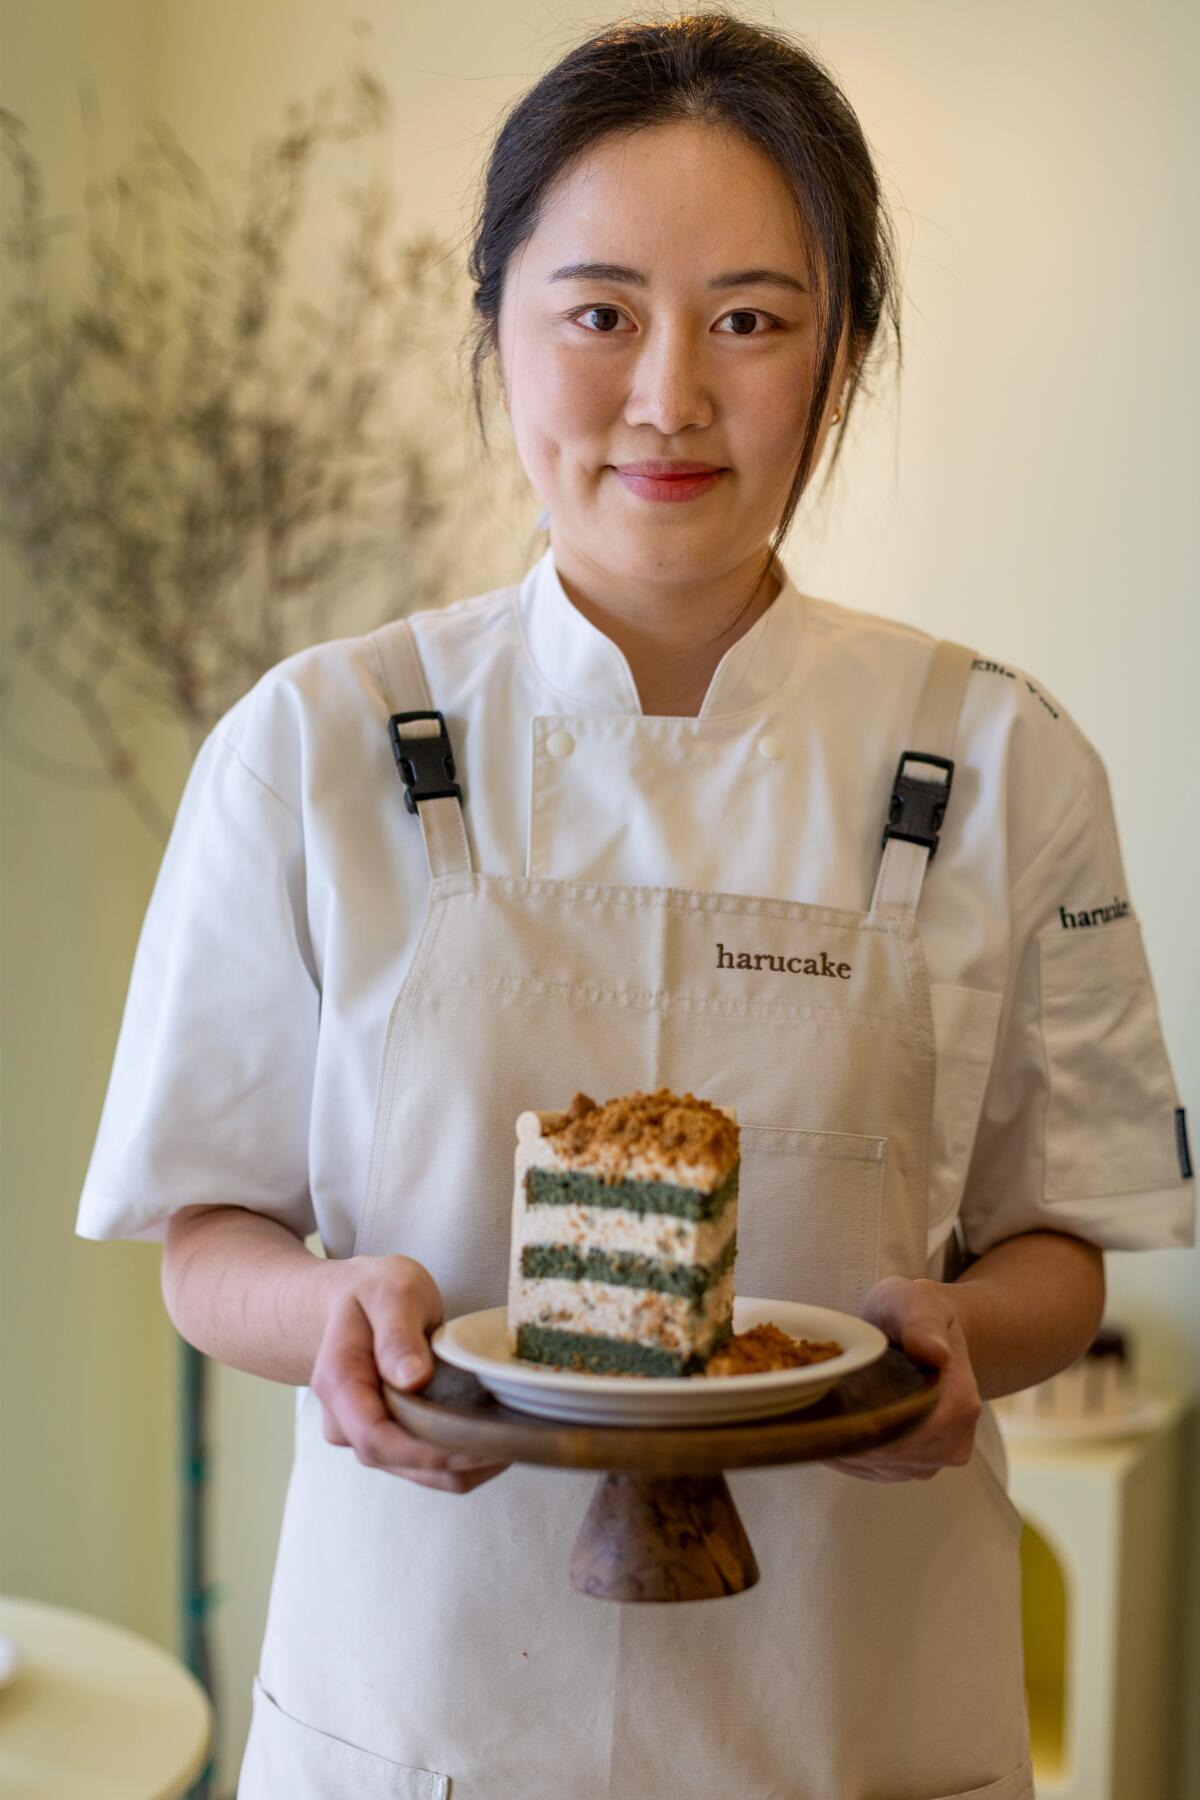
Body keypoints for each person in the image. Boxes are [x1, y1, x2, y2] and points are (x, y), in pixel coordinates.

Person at [76, 16, 1194, 1800]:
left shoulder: (996, 756)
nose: (670, 395)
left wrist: (970, 1338)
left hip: (855, 1712)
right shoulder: (313, 746)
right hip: (422, 1712)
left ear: (841, 360)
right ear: (497, 331)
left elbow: (1068, 1239)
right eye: (599, 312)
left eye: (753, 320)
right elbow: (205, 1238)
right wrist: (337, 1319)